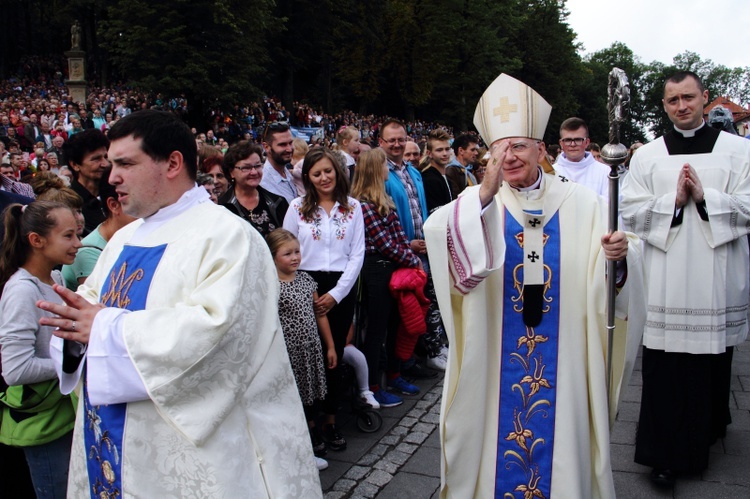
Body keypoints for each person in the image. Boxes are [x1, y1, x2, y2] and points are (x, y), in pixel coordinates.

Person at [36, 110, 321, 497]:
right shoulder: (124, 238)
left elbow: (219, 338)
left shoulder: (227, 236)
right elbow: (86, 309)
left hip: (195, 455)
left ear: (172, 163)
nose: (112, 176)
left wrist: (103, 329)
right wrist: (73, 327)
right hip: (114, 440)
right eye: (110, 163)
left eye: (125, 163)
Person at [424, 73, 644, 498]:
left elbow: (622, 258)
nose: (508, 157)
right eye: (499, 149)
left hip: (564, 360)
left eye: (519, 145)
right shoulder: (479, 205)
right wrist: (482, 196)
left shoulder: (584, 205)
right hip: (494, 361)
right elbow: (440, 239)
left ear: (542, 150)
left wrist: (618, 260)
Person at [620, 70, 750, 487]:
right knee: (664, 367)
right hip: (665, 278)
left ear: (705, 98)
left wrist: (705, 198)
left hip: (716, 274)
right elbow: (629, 211)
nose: (682, 106)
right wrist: (671, 201)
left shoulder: (738, 150)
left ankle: (708, 429)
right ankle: (664, 455)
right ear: (664, 105)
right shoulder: (647, 156)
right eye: (673, 100)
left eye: (689, 97)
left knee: (711, 363)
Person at [283, 147, 365, 454]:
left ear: (338, 172)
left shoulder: (353, 207)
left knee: (335, 353)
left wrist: (336, 294)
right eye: (316, 173)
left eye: (328, 171)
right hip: (305, 284)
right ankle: (310, 423)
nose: (323, 178)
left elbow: (357, 254)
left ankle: (331, 420)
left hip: (340, 286)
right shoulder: (297, 207)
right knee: (307, 356)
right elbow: (286, 248)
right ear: (308, 177)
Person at [0, 200, 81, 497]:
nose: (77, 244)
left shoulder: (56, 278)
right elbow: (15, 369)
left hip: (62, 416)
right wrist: (71, 367)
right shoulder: (22, 290)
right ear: (37, 240)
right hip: (44, 424)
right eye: (69, 236)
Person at [351, 148, 423, 409]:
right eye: (384, 165)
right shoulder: (363, 205)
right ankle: (372, 386)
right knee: (377, 331)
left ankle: (393, 375)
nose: (387, 169)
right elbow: (385, 244)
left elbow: (399, 237)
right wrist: (412, 260)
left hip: (391, 267)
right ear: (375, 169)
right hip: (377, 270)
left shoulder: (384, 200)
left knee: (396, 324)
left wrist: (406, 255)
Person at [267, 228, 336, 470]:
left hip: (311, 348)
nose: (295, 257)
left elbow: (320, 315)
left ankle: (314, 430)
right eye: (287, 253)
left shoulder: (307, 280)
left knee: (312, 393)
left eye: (297, 251)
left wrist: (330, 346)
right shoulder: (271, 286)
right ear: (273, 256)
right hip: (288, 352)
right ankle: (304, 435)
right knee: (294, 396)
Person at [61, 168, 136, 290]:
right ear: (114, 205)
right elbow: (107, 298)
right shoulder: (88, 252)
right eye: (136, 203)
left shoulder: (131, 236)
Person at [219, 140, 288, 237]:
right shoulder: (222, 207)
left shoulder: (278, 202)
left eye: (257, 166)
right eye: (246, 168)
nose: (254, 172)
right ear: (231, 172)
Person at [62, 129, 109, 236]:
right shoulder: (66, 203)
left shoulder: (117, 193)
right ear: (75, 165)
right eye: (96, 159)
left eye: (106, 157)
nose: (105, 164)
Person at [553, 117, 610, 198]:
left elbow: (610, 205)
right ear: (561, 143)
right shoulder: (551, 173)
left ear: (587, 142)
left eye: (578, 139)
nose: (573, 144)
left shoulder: (605, 172)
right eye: (568, 140)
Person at [260, 122, 298, 202]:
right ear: (266, 147)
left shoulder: (288, 173)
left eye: (290, 143)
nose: (289, 149)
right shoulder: (263, 183)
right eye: (282, 145)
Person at [445, 133, 479, 197]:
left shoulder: (471, 170)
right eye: (472, 150)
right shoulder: (451, 171)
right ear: (461, 151)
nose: (476, 153)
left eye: (476, 150)